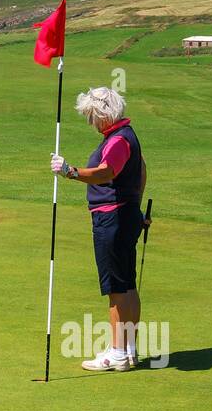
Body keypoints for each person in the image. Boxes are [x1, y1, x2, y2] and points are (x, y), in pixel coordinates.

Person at [50, 86, 148, 371]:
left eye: (91, 116)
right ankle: (127, 348)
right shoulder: (126, 136)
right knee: (127, 285)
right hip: (125, 216)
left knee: (116, 289)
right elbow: (141, 170)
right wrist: (135, 207)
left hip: (112, 220)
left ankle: (117, 353)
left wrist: (71, 172)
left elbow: (107, 172)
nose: (90, 122)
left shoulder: (118, 140)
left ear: (102, 115)